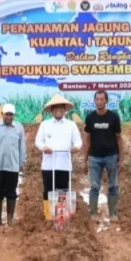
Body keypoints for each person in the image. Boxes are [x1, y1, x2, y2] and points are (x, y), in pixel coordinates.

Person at [34, 94, 82, 222]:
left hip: (64, 164)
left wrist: (76, 147)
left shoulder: (71, 125)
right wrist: (44, 147)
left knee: (63, 190)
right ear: (51, 110)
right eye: (55, 108)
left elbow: (78, 141)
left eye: (61, 108)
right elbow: (38, 141)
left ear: (65, 109)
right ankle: (48, 215)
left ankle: (61, 215)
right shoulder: (45, 124)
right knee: (48, 190)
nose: (58, 110)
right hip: (48, 165)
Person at [83, 90, 123, 220]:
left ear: (106, 101)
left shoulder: (114, 117)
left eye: (102, 99)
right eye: (97, 99)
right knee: (94, 186)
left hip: (111, 156)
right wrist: (85, 160)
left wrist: (120, 158)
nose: (99, 102)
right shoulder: (90, 118)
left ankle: (113, 213)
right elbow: (87, 139)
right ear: (94, 101)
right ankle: (93, 213)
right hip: (94, 157)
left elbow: (118, 139)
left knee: (113, 185)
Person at [0, 103, 26, 226]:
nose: (9, 117)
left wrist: (21, 162)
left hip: (13, 166)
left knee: (11, 192)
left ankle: (10, 218)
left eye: (11, 115)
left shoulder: (19, 128)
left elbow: (22, 146)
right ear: (2, 114)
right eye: (7, 114)